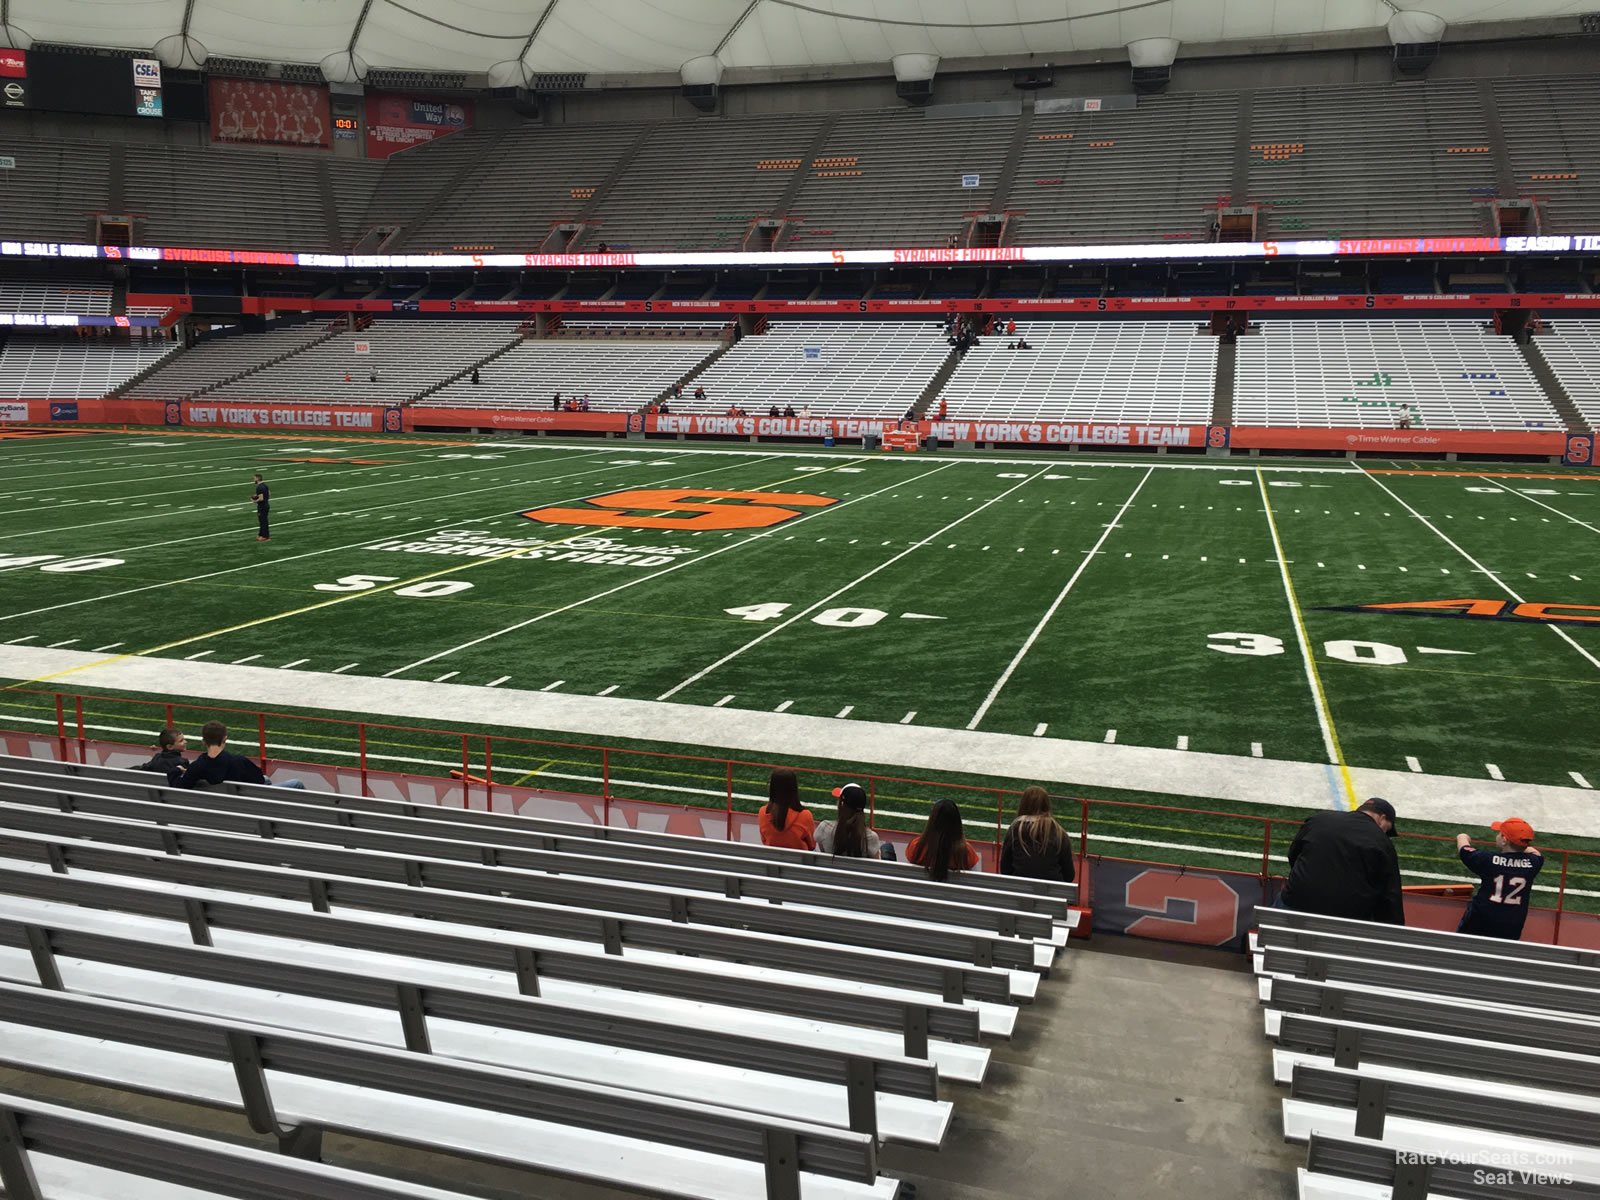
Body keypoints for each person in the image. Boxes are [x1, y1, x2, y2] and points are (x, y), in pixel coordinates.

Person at [1278, 798, 1404, 923]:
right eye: (1387, 830)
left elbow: (1293, 854)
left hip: (1294, 903)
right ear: (1382, 819)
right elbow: (1390, 895)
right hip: (1345, 919)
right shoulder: (1382, 842)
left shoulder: (1319, 819)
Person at [1455, 818, 1543, 940]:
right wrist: (1520, 844)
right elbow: (1535, 853)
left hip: (1480, 920)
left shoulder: (1487, 860)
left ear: (1504, 840)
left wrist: (1463, 836)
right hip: (1512, 924)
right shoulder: (1534, 863)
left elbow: (1465, 850)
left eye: (1500, 834)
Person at [179, 721, 306, 790]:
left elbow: (183, 785)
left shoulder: (197, 766)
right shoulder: (238, 761)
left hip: (226, 806)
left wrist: (175, 771)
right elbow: (259, 781)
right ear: (225, 739)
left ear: (203, 742)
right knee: (296, 783)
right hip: (253, 805)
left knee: (266, 779)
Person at [1000, 786, 1074, 881]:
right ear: (1046, 805)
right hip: (1052, 893)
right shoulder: (1059, 833)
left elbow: (1005, 869)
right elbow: (1069, 875)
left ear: (1023, 805)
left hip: (1019, 890)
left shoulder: (1015, 829)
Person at [907, 799, 979, 881]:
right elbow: (976, 880)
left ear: (932, 820)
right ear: (957, 823)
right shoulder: (966, 852)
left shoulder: (916, 846)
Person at [815, 783, 882, 859]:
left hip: (831, 869)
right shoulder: (871, 838)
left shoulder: (824, 828)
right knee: (887, 847)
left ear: (841, 804)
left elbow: (823, 853)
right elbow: (876, 863)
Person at [758, 769, 815, 850]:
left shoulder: (763, 812)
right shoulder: (805, 815)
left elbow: (764, 840)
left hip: (772, 860)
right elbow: (812, 845)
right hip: (799, 861)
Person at [252, 472, 270, 541]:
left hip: (262, 506)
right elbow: (269, 493)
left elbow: (261, 498)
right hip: (266, 505)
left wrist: (254, 501)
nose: (253, 480)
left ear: (257, 478)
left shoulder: (259, 487)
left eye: (254, 478)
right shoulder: (265, 485)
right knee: (263, 521)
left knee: (263, 521)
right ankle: (261, 535)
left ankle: (265, 537)